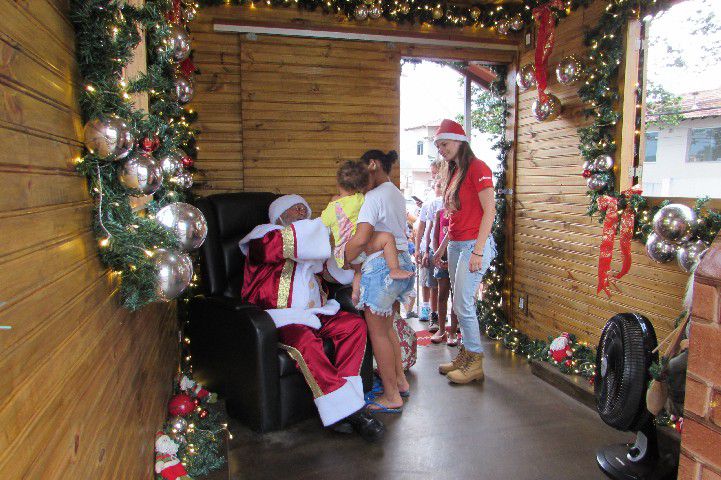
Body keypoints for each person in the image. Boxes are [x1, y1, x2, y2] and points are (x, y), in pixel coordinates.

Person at [238, 194, 385, 441]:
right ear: (279, 216)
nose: (302, 213)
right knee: (304, 341)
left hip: (315, 313)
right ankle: (352, 412)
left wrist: (345, 248)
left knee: (353, 325)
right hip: (280, 318)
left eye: (305, 209)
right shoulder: (263, 237)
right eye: (295, 209)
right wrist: (328, 221)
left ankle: (346, 401)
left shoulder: (308, 244)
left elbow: (332, 272)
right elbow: (287, 243)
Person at [346, 150, 415, 413]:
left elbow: (362, 238)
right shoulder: (395, 192)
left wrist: (346, 255)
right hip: (400, 261)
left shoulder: (374, 196)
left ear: (372, 165)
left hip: (380, 269)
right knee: (388, 330)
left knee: (378, 334)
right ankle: (400, 382)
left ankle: (391, 396)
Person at [432, 119, 497, 384]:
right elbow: (454, 219)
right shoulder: (454, 171)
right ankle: (465, 356)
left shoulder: (478, 167)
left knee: (462, 303)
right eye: (438, 146)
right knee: (460, 304)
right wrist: (441, 248)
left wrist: (478, 251)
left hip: (474, 245)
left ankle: (475, 362)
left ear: (460, 141)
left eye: (444, 144)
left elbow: (489, 211)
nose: (441, 150)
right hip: (458, 244)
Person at [320, 160, 413, 305]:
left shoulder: (332, 208)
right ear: (360, 186)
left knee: (358, 271)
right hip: (360, 248)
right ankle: (394, 269)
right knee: (387, 238)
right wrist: (368, 172)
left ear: (338, 184)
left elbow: (323, 224)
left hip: (343, 251)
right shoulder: (361, 199)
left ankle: (355, 294)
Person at [415, 160, 442, 326]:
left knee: (440, 284)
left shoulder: (448, 199)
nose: (432, 177)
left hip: (441, 247)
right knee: (427, 280)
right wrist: (419, 249)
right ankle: (427, 309)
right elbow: (422, 226)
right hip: (429, 246)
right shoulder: (429, 201)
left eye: (434, 173)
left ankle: (438, 313)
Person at [430, 194, 459, 346]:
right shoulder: (440, 213)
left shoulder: (459, 212)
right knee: (442, 295)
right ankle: (441, 329)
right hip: (441, 260)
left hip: (456, 258)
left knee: (456, 297)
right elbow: (435, 237)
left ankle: (453, 331)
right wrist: (437, 256)